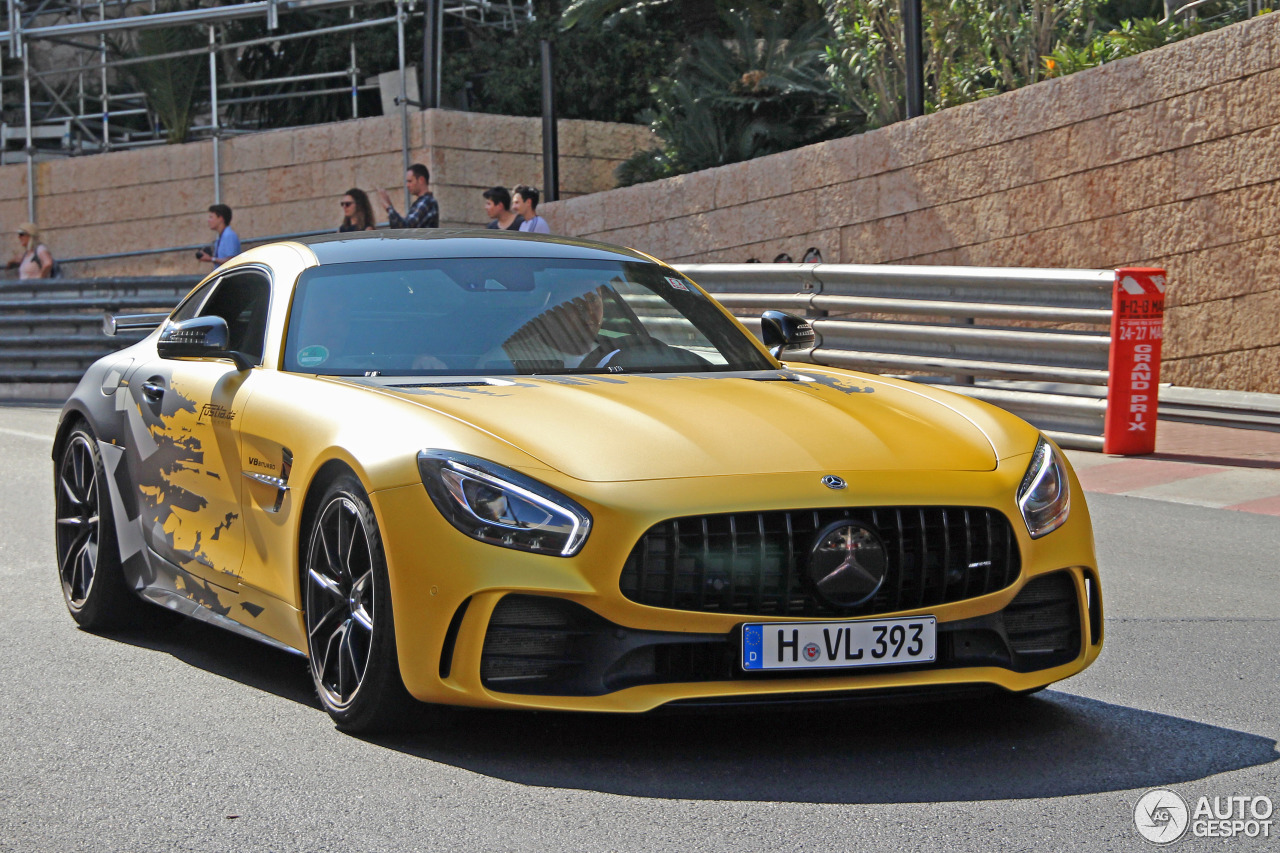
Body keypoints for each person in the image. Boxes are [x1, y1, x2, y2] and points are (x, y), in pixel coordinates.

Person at [376, 163, 439, 229]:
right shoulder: (424, 202)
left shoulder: (427, 202)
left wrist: (388, 208)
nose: (407, 185)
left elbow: (406, 228)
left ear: (421, 180)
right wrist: (390, 207)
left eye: (410, 181)